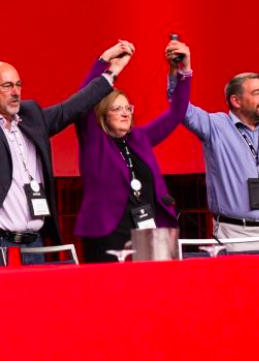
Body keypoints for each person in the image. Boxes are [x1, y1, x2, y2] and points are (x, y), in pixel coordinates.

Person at [0, 11, 130, 266]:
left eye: (18, 84)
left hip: (35, 243)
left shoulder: (31, 117)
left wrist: (110, 72)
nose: (16, 92)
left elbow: (72, 107)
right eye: (7, 86)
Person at [75, 40, 192, 262]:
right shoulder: (94, 140)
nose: (125, 113)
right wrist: (105, 60)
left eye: (127, 107)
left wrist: (183, 72)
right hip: (108, 234)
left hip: (150, 232)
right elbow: (82, 100)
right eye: (116, 109)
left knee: (156, 293)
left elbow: (177, 112)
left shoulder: (140, 138)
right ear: (102, 115)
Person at [181, 57, 259, 251]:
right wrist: (182, 73)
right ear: (236, 101)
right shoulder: (216, 126)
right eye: (257, 93)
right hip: (236, 235)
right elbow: (181, 110)